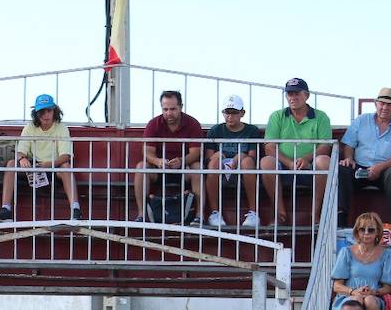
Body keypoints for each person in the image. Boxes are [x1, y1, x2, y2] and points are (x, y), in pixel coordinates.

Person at [260, 78, 332, 226]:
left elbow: (325, 147)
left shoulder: (321, 116)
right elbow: (269, 147)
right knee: (266, 161)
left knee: (324, 160)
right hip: (284, 165)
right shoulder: (277, 116)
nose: (292, 98)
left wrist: (306, 159)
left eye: (296, 94)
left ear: (306, 95)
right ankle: (280, 215)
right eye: (289, 94)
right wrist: (290, 162)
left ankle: (315, 214)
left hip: (311, 166)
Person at [0, 94, 80, 222]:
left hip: (54, 167)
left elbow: (66, 156)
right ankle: (5, 209)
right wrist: (22, 159)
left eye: (49, 110)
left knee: (66, 166)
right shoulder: (30, 127)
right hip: (33, 166)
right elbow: (20, 151)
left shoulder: (61, 128)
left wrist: (49, 164)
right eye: (42, 111)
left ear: (55, 111)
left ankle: (76, 209)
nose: (45, 115)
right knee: (11, 164)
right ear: (36, 113)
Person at [337, 87, 391, 225]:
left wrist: (379, 167)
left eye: (390, 104)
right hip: (359, 168)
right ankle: (341, 216)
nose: (385, 107)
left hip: (385, 170)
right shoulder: (361, 120)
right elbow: (348, 145)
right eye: (382, 103)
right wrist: (349, 158)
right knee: (343, 169)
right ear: (376, 103)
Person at [134, 90, 204, 223]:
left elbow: (196, 152)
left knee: (198, 167)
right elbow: (147, 151)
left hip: (184, 169)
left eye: (173, 109)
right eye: (165, 109)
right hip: (160, 169)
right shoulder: (153, 123)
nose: (168, 113)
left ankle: (199, 216)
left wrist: (182, 161)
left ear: (181, 107)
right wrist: (158, 161)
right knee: (141, 167)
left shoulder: (192, 123)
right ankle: (141, 215)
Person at [331, 212, 391, 310]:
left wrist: (373, 292)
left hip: (375, 296)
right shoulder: (346, 252)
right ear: (357, 232)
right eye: (362, 229)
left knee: (369, 300)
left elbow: (388, 288)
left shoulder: (386, 254)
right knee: (356, 300)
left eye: (371, 230)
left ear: (378, 232)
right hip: (348, 296)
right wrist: (354, 291)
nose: (366, 233)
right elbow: (337, 286)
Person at [204, 95, 262, 229]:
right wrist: (221, 156)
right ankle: (214, 213)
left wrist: (238, 158)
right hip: (221, 168)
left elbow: (253, 156)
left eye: (234, 113)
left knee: (247, 162)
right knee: (213, 164)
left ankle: (254, 212)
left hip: (243, 169)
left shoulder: (251, 130)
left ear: (242, 113)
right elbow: (209, 158)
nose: (230, 116)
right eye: (227, 113)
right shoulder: (215, 130)